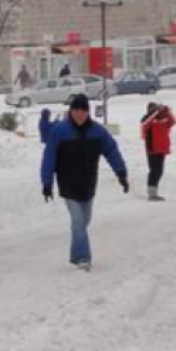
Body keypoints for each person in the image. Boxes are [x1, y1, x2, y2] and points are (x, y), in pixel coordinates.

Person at [40, 94, 129, 271]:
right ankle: (83, 258)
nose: (79, 114)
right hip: (68, 184)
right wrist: (47, 182)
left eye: (83, 110)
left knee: (84, 221)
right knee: (79, 221)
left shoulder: (97, 131)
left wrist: (121, 173)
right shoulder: (60, 131)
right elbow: (49, 157)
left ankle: (75, 253)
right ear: (70, 111)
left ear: (88, 112)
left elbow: (111, 151)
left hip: (88, 184)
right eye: (76, 110)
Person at [140, 102, 175, 202]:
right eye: (153, 108)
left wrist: (167, 111)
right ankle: (151, 193)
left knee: (159, 171)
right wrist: (154, 113)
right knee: (154, 171)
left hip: (162, 149)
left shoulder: (164, 119)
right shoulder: (147, 120)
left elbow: (172, 122)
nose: (157, 110)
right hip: (152, 149)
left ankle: (154, 191)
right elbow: (144, 124)